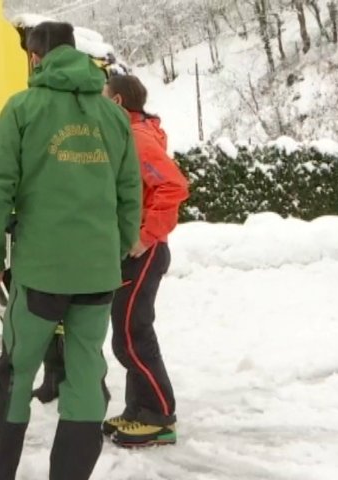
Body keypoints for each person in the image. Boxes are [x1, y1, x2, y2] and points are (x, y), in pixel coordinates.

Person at [0, 22, 142, 480]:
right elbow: (130, 190)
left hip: (40, 272)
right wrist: (121, 245)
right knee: (86, 376)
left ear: (35, 56)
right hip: (97, 273)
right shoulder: (113, 117)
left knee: (17, 372)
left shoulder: (23, 108)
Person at [101, 74, 190, 448]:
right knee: (129, 332)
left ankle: (159, 416)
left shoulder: (136, 138)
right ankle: (138, 408)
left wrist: (145, 234)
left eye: (104, 97)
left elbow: (174, 186)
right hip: (136, 251)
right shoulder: (132, 134)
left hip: (144, 252)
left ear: (118, 102)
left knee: (131, 335)